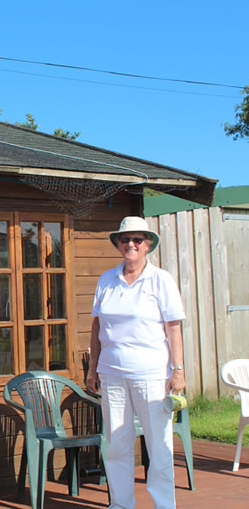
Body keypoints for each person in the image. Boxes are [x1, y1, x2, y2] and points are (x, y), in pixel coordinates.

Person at [85, 216, 185, 509]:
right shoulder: (107, 279)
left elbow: (174, 327)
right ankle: (120, 504)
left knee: (159, 446)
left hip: (151, 375)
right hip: (112, 374)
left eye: (137, 240)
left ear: (148, 245)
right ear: (118, 244)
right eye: (125, 239)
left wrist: (178, 371)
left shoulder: (161, 279)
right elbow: (96, 327)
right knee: (116, 445)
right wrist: (93, 368)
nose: (130, 244)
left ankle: (164, 505)